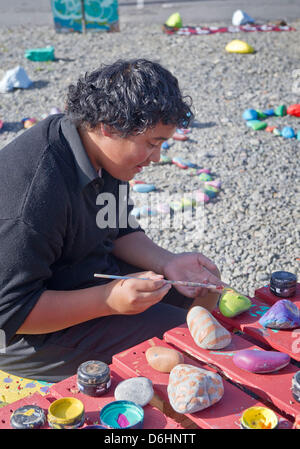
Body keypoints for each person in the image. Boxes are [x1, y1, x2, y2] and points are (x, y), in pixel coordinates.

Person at [0, 59, 223, 382]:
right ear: (110, 125)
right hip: (25, 335)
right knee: (178, 341)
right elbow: (12, 311)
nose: (157, 158)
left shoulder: (101, 150)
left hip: (81, 277)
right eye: (151, 144)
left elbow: (118, 227)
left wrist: (168, 262)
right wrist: (108, 300)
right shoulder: (32, 193)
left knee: (203, 295)